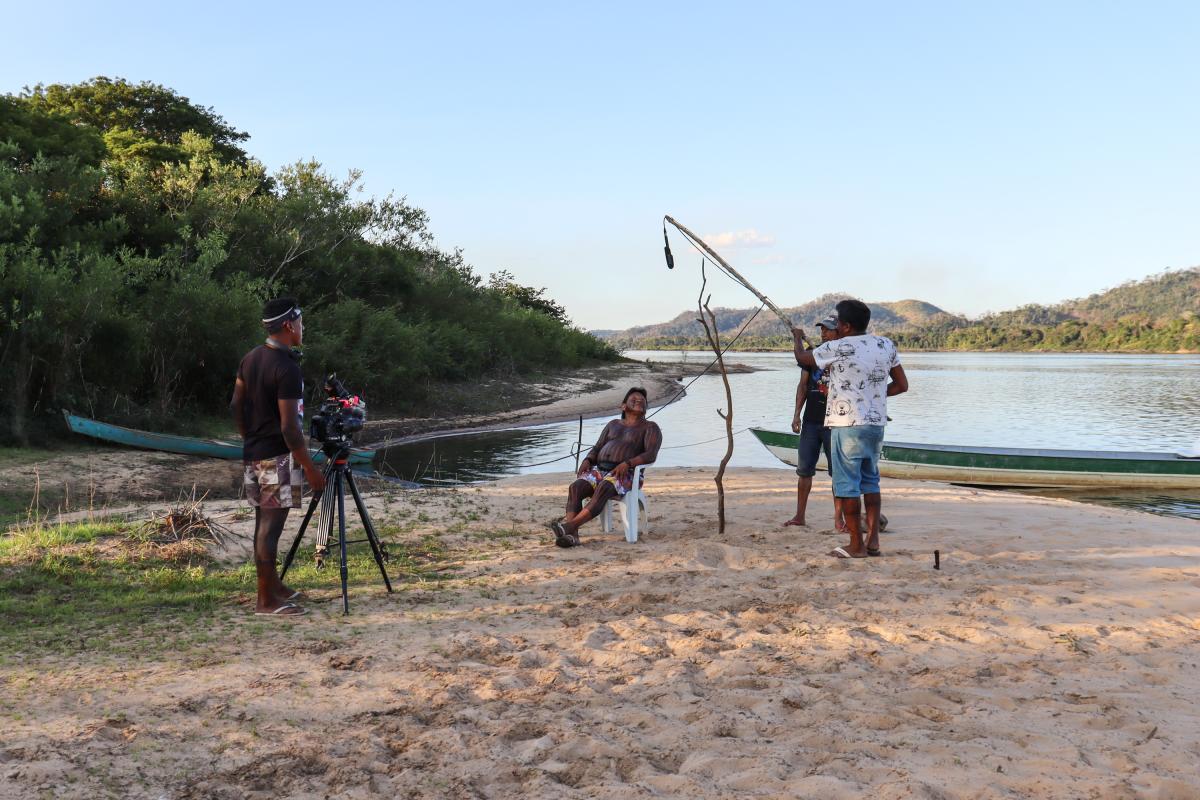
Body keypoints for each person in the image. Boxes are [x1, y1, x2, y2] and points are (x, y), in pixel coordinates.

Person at [230, 297, 327, 615]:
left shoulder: (250, 358)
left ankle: (272, 587)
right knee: (270, 528)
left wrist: (250, 438)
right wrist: (310, 469)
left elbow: (235, 405)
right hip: (276, 455)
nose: (303, 328)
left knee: (264, 522)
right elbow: (290, 428)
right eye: (300, 323)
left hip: (254, 452)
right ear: (288, 325)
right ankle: (265, 600)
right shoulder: (287, 368)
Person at [794, 299, 908, 558]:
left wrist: (798, 338)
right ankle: (874, 541)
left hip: (847, 426)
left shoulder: (838, 346)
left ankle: (856, 544)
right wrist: (871, 396)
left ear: (844, 326)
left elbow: (803, 358)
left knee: (847, 487)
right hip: (876, 425)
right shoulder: (885, 344)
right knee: (871, 482)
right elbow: (902, 385)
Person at [551, 387, 663, 548]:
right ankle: (572, 536)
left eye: (642, 400)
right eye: (634, 399)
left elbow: (651, 454)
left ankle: (569, 527)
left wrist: (628, 463)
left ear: (646, 408)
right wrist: (588, 459)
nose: (639, 400)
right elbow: (598, 447)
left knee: (604, 487)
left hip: (627, 474)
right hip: (599, 470)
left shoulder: (650, 427)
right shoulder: (613, 425)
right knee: (575, 488)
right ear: (623, 406)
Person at [784, 316, 842, 528]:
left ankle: (839, 520)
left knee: (838, 474)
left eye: (829, 330)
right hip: (811, 422)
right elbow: (803, 386)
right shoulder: (814, 354)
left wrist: (797, 339)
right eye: (822, 330)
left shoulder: (843, 354)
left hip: (835, 423)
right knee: (804, 470)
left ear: (840, 332)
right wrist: (796, 414)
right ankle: (799, 516)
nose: (824, 334)